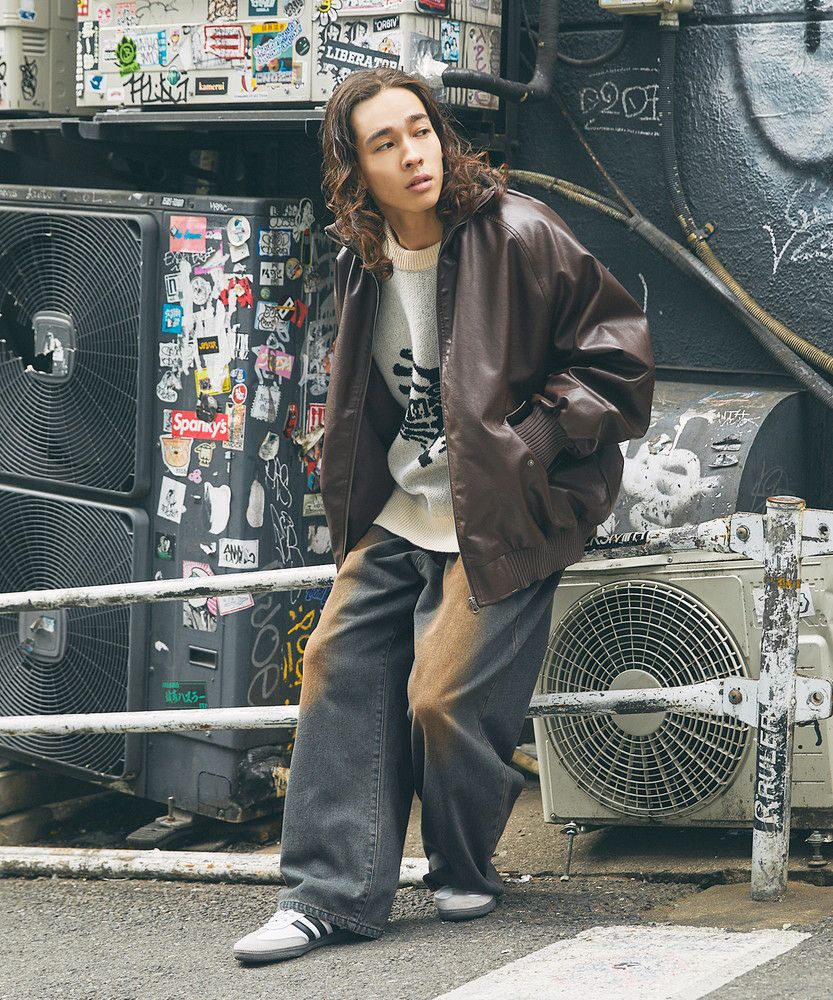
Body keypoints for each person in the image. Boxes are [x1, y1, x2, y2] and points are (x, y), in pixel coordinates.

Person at [233, 66, 655, 964]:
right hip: (403, 504)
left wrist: (531, 441)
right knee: (335, 665)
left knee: (440, 696)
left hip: (504, 509)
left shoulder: (519, 232)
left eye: (419, 131)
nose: (412, 154)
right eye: (384, 143)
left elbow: (619, 360)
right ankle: (326, 896)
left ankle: (462, 862)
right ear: (356, 168)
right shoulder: (361, 256)